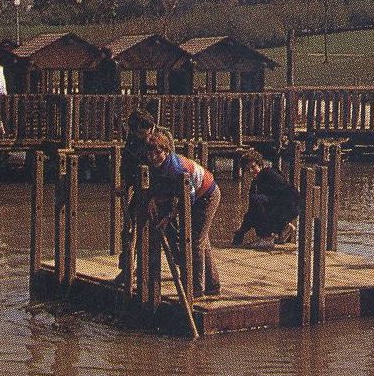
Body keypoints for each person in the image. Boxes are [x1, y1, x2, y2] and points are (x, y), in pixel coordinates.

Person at [146, 132, 221, 298]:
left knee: (195, 242)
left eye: (158, 153)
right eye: (151, 153)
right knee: (202, 240)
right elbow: (156, 186)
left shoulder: (176, 168)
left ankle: (196, 289)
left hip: (207, 195)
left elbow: (189, 197)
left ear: (166, 151)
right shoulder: (155, 167)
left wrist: (171, 215)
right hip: (195, 196)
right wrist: (152, 198)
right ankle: (213, 284)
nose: (154, 157)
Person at [114, 108, 174, 286]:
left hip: (160, 189)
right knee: (129, 227)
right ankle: (127, 269)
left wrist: (156, 198)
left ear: (150, 127)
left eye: (142, 133)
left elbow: (167, 166)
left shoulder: (164, 136)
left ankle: (173, 271)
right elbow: (126, 161)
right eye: (136, 133)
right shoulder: (133, 137)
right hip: (139, 186)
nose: (141, 137)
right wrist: (124, 183)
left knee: (165, 232)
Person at [232, 151, 301, 250]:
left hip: (289, 205)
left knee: (257, 200)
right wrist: (241, 231)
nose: (251, 171)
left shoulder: (269, 173)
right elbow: (251, 212)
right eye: (248, 170)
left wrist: (283, 217)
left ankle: (267, 238)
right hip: (280, 208)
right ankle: (283, 229)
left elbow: (289, 191)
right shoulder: (255, 185)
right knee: (256, 203)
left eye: (253, 167)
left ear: (260, 164)